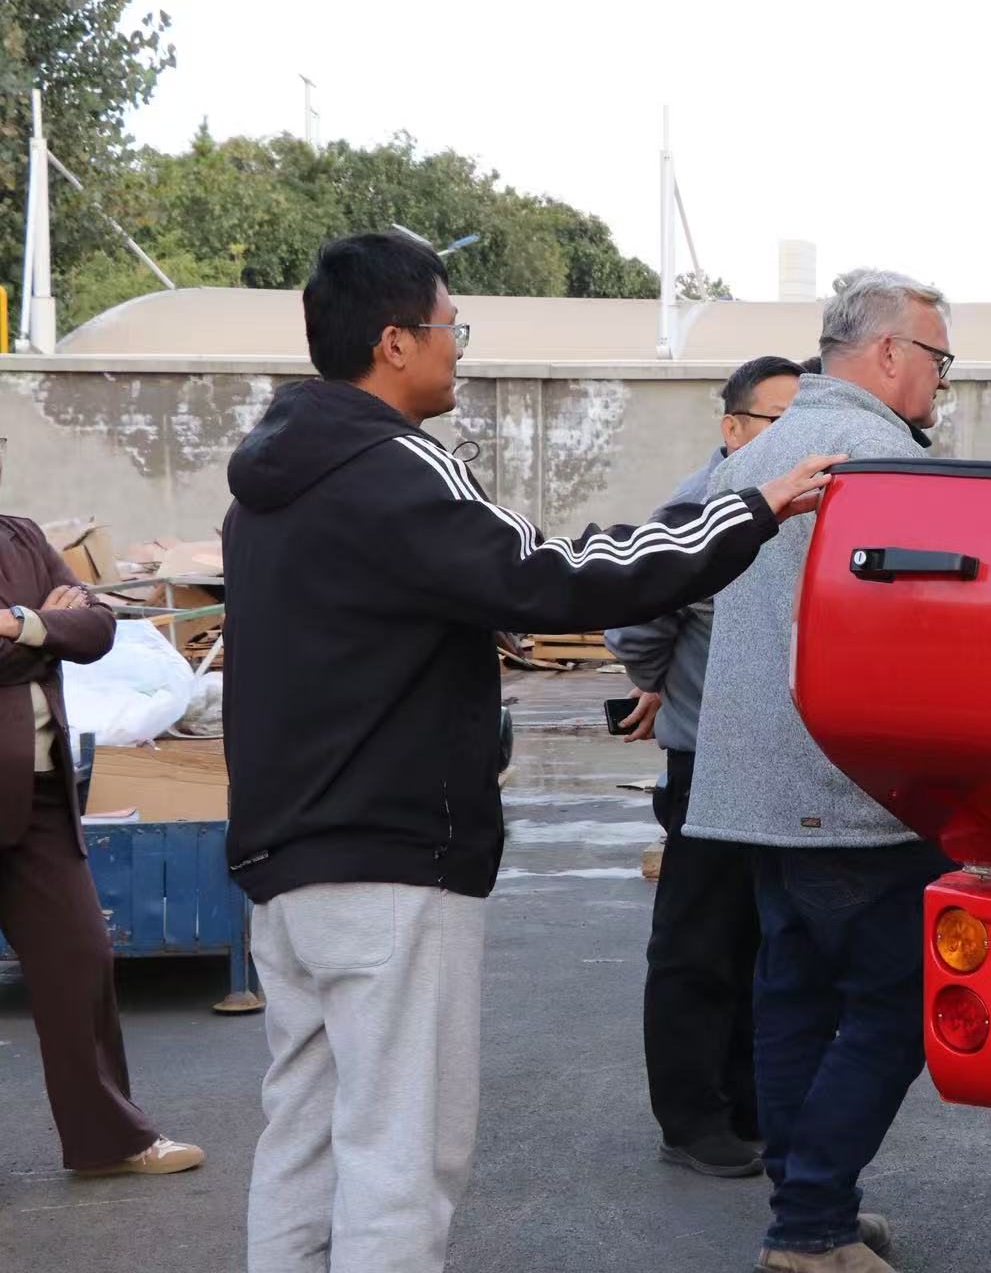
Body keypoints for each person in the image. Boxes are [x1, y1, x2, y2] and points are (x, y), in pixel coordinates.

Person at [224, 232, 840, 1273]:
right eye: (448, 326)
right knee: (400, 1153)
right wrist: (749, 510)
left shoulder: (270, 482)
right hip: (388, 861)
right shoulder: (394, 469)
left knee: (309, 1132)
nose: (458, 348)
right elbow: (550, 574)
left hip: (289, 860)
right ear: (393, 342)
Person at [686, 269, 954, 1273]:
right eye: (936, 358)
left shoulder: (759, 453)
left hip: (755, 785)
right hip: (852, 792)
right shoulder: (884, 457)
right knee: (896, 1000)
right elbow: (924, 630)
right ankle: (811, 1222)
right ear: (888, 353)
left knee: (793, 993)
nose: (939, 379)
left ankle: (808, 1207)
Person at [605, 354, 803, 1178]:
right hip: (709, 759)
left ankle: (745, 1101)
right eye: (775, 423)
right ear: (732, 429)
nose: (793, 441)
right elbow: (634, 618)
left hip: (779, 760)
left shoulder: (800, 504)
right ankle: (690, 1119)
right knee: (698, 945)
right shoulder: (700, 506)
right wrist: (660, 683)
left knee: (761, 941)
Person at [0, 460, 204, 1178]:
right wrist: (44, 631)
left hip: (42, 796)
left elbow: (95, 630)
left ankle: (107, 1141)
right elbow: (61, 633)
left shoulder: (19, 538)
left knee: (80, 961)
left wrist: (25, 625)